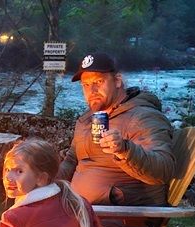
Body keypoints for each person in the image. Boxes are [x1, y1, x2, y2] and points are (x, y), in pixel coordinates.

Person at [58, 52, 175, 206]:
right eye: (86, 85)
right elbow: (71, 160)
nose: (91, 91)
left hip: (119, 219)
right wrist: (43, 179)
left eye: (98, 82)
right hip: (80, 211)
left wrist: (124, 150)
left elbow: (163, 170)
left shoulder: (142, 117)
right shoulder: (87, 119)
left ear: (118, 81)